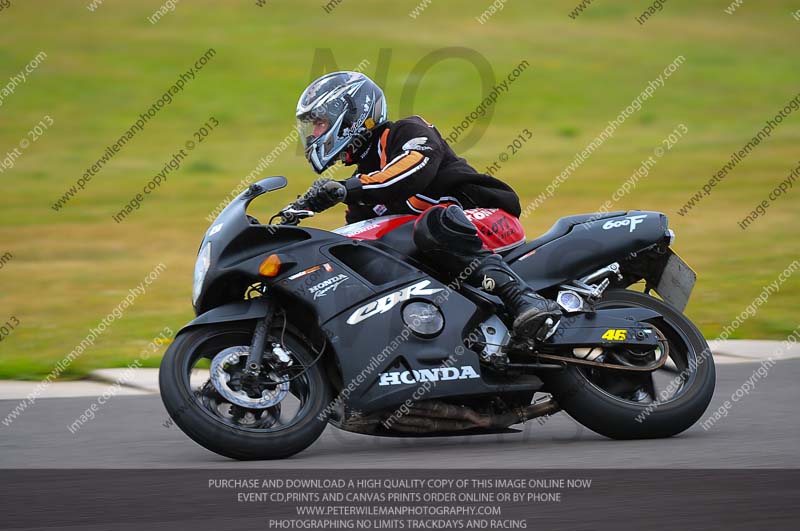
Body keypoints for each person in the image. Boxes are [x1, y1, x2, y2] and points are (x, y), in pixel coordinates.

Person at [294, 71, 561, 341]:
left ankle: (524, 298)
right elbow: (358, 245)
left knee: (433, 223)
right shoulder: (362, 187)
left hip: (488, 220)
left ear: (351, 114)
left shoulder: (407, 131)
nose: (315, 133)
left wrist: (344, 189)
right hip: (446, 250)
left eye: (320, 123)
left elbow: (408, 175)